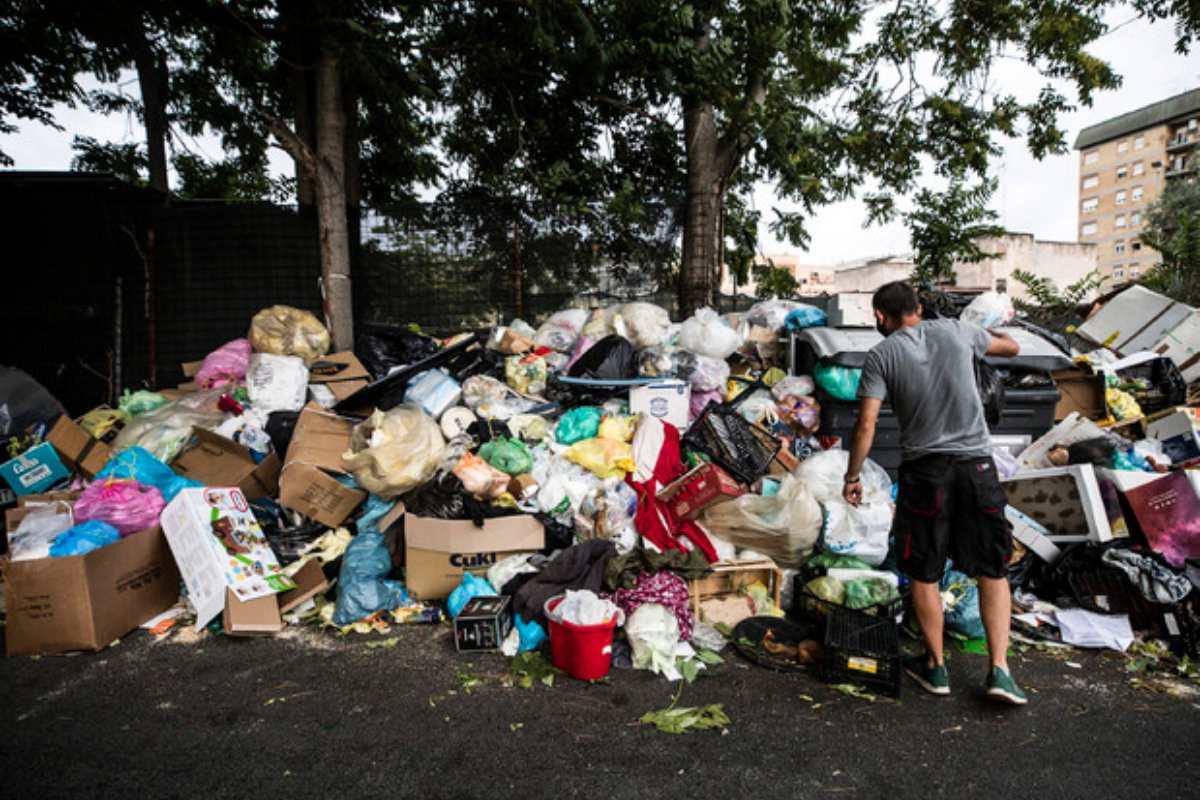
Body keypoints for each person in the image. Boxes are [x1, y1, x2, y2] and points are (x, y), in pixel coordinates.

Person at [842, 281, 1026, 705]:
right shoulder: (958, 332)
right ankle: (1000, 670)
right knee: (992, 567)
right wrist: (987, 333)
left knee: (924, 568)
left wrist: (853, 476)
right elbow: (1012, 348)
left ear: (880, 317)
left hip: (927, 474)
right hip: (977, 467)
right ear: (919, 308)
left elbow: (866, 425)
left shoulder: (881, 355)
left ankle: (936, 666)